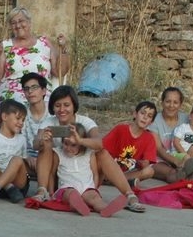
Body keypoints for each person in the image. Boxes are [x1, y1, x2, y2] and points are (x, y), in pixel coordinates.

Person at [32, 85, 146, 213]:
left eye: (66, 105)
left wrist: (80, 141)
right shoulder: (49, 122)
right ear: (52, 107)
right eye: (58, 105)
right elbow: (35, 145)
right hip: (60, 176)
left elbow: (99, 144)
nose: (62, 109)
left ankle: (129, 195)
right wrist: (41, 139)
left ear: (74, 106)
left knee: (102, 153)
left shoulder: (85, 122)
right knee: (45, 145)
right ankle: (42, 190)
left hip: (84, 174)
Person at [0, 7, 70, 104]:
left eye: (21, 21)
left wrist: (63, 48)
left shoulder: (44, 43)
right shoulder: (5, 46)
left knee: (44, 107)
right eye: (13, 23)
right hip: (12, 94)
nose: (18, 25)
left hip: (41, 94)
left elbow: (59, 72)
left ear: (29, 22)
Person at [54, 124, 129, 217]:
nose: (68, 148)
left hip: (86, 186)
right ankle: (77, 205)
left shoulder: (89, 153)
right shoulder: (58, 153)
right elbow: (51, 173)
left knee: (95, 198)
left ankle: (105, 208)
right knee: (71, 194)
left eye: (73, 145)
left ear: (81, 145)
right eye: (65, 143)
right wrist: (50, 192)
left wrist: (94, 188)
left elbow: (95, 173)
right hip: (67, 186)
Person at [102, 101, 158, 186]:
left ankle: (114, 181)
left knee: (149, 171)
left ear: (151, 122)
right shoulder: (120, 129)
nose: (145, 117)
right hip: (110, 168)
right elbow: (102, 148)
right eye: (143, 113)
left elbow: (146, 163)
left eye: (149, 116)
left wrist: (142, 163)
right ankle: (118, 181)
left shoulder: (149, 138)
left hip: (127, 172)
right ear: (135, 114)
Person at [149, 87, 190, 183]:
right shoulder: (154, 120)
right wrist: (176, 161)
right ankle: (183, 179)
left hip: (182, 158)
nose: (171, 105)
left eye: (175, 102)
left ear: (180, 104)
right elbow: (158, 149)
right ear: (162, 102)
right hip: (159, 160)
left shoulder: (186, 119)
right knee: (173, 173)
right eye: (168, 101)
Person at [19, 72, 51, 174]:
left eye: (34, 87)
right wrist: (26, 157)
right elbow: (16, 140)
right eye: (26, 88)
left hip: (49, 158)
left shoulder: (53, 112)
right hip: (28, 160)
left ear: (43, 91)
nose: (30, 91)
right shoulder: (20, 113)